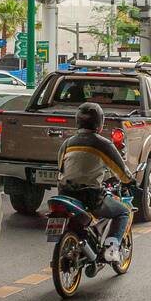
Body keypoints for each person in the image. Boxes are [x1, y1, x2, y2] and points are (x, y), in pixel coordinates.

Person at [55, 102, 134, 262]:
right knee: (123, 212)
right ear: (99, 123)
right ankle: (111, 250)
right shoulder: (103, 144)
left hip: (65, 193)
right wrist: (130, 180)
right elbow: (122, 172)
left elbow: (61, 167)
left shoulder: (67, 143)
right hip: (90, 196)